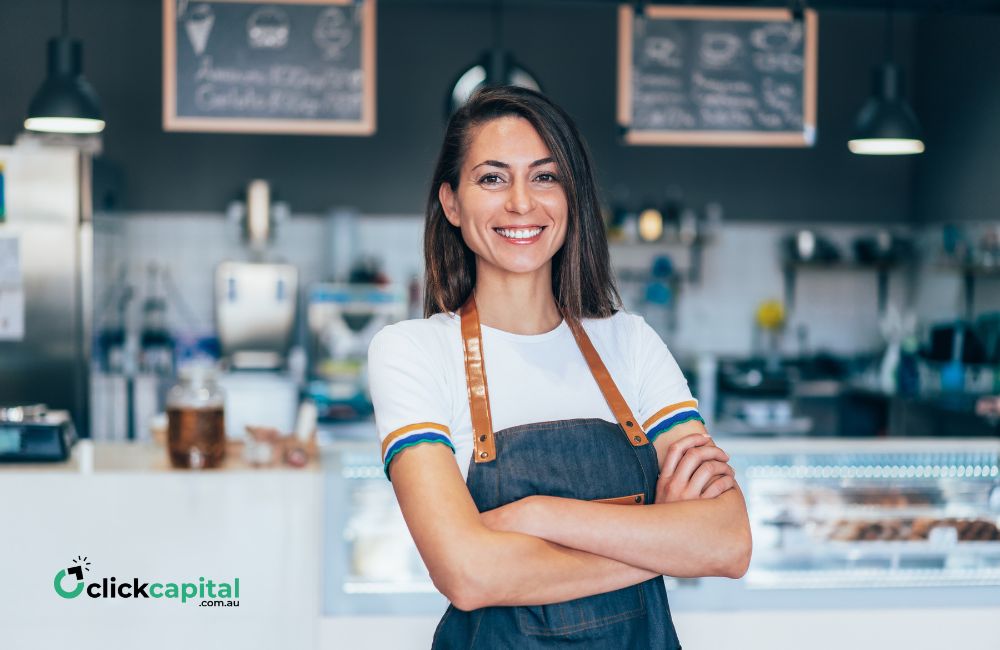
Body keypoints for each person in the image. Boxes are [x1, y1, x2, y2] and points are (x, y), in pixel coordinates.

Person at [367, 85, 751, 649]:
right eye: (492, 178)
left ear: (572, 196)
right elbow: (468, 575)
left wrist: (539, 515)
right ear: (451, 202)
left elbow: (728, 543)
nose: (521, 202)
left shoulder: (631, 343)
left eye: (545, 177)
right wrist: (659, 544)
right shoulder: (412, 352)